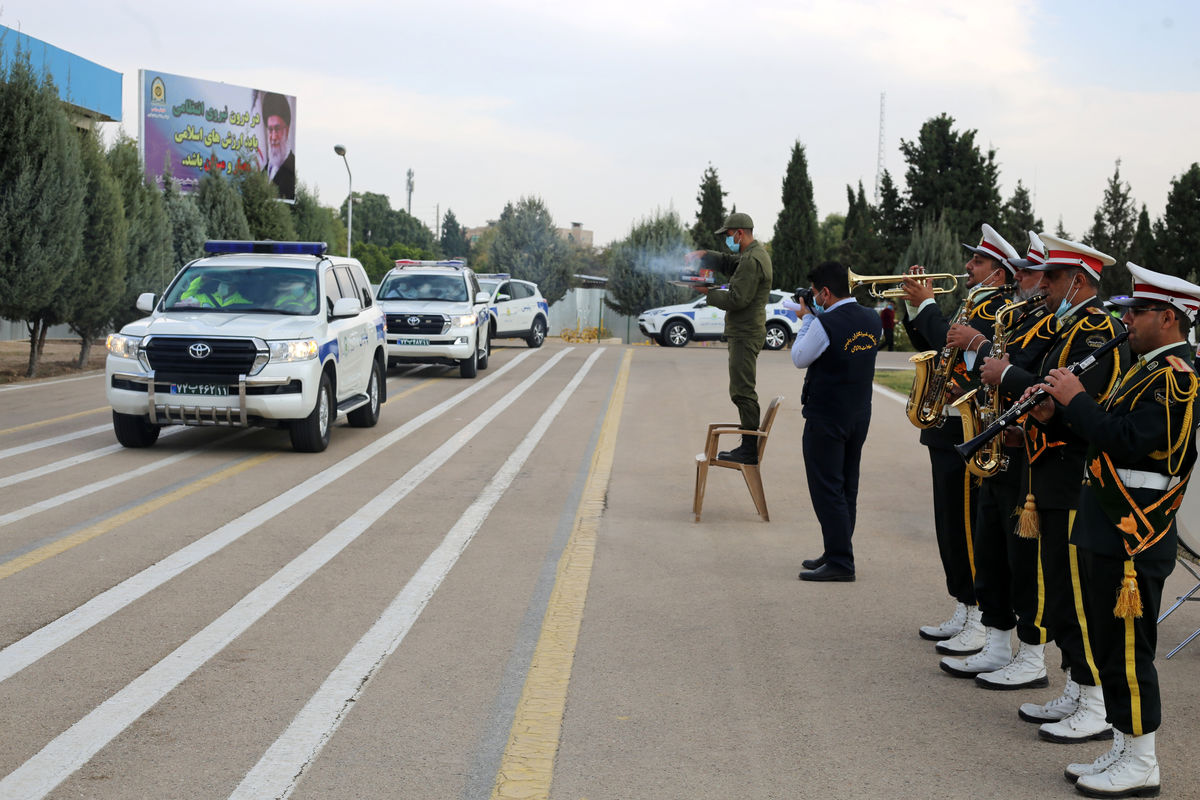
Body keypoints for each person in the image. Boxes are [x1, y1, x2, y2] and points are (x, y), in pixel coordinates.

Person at [1031, 263, 1198, 796]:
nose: (1126, 320)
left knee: (1129, 651)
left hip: (1135, 532)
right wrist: (1060, 410)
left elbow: (1130, 441)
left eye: (1137, 311)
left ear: (1167, 317)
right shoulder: (1144, 367)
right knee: (1108, 644)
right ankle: (1125, 746)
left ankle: (1144, 760)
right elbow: (1111, 432)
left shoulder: (1176, 378)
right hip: (1109, 522)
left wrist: (1075, 400)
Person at [992, 234, 1129, 744]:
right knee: (1057, 590)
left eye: (1051, 277)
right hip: (1047, 474)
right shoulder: (1066, 328)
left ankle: (1094, 701)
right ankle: (1077, 682)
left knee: (1075, 594)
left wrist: (1043, 412)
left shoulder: (1096, 332)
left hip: (1071, 478)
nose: (1043, 285)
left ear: (1078, 280)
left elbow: (1085, 409)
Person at [938, 232, 1058, 685]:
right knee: (991, 550)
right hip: (998, 444)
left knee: (1025, 560)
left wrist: (983, 349)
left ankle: (1031, 658)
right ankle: (997, 642)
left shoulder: (1057, 325)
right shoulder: (1022, 313)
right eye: (1023, 271)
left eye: (1030, 272)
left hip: (1031, 455)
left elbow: (1032, 374)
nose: (1022, 279)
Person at [900, 223, 1017, 658]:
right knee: (950, 525)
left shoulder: (995, 310)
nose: (968, 266)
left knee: (967, 528)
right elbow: (937, 349)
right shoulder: (974, 303)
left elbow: (957, 349)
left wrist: (927, 303)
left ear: (999, 273)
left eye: (979, 261)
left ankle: (978, 614)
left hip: (966, 427)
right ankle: (963, 603)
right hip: (947, 425)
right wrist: (918, 311)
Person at [788, 261, 882, 582]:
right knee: (846, 487)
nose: (813, 299)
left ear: (825, 293)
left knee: (826, 488)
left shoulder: (822, 324)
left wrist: (806, 320)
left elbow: (799, 357)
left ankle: (841, 561)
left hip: (826, 416)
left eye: (815, 294)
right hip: (858, 414)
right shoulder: (872, 318)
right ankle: (836, 549)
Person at [686, 212, 773, 464]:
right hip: (744, 332)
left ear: (739, 233)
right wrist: (704, 255)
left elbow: (737, 299)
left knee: (742, 391)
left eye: (728, 235)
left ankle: (748, 449)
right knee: (740, 388)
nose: (727, 239)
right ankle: (748, 445)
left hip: (746, 333)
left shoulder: (753, 259)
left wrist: (708, 292)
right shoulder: (751, 256)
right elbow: (729, 263)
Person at [261, 92, 295, 200]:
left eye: (277, 129)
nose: (273, 137)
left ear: (287, 130)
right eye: (270, 130)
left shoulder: (292, 170)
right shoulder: (264, 172)